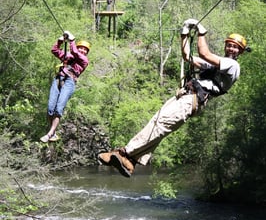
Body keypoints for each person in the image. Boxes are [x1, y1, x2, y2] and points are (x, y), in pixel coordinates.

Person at [98, 18, 249, 177]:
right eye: (230, 45)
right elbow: (187, 56)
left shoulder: (233, 66)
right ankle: (131, 161)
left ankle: (125, 154)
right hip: (186, 96)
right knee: (157, 122)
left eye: (235, 47)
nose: (231, 48)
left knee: (161, 124)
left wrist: (201, 32)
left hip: (193, 100)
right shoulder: (216, 65)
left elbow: (204, 53)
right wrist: (184, 33)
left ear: (240, 52)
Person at [40, 31, 90, 143]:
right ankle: (53, 132)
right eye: (81, 48)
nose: (82, 50)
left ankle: (50, 134)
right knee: (50, 109)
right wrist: (60, 41)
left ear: (86, 52)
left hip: (69, 82)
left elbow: (75, 52)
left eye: (85, 49)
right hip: (58, 78)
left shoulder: (84, 60)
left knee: (58, 109)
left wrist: (72, 40)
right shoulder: (68, 56)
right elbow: (55, 51)